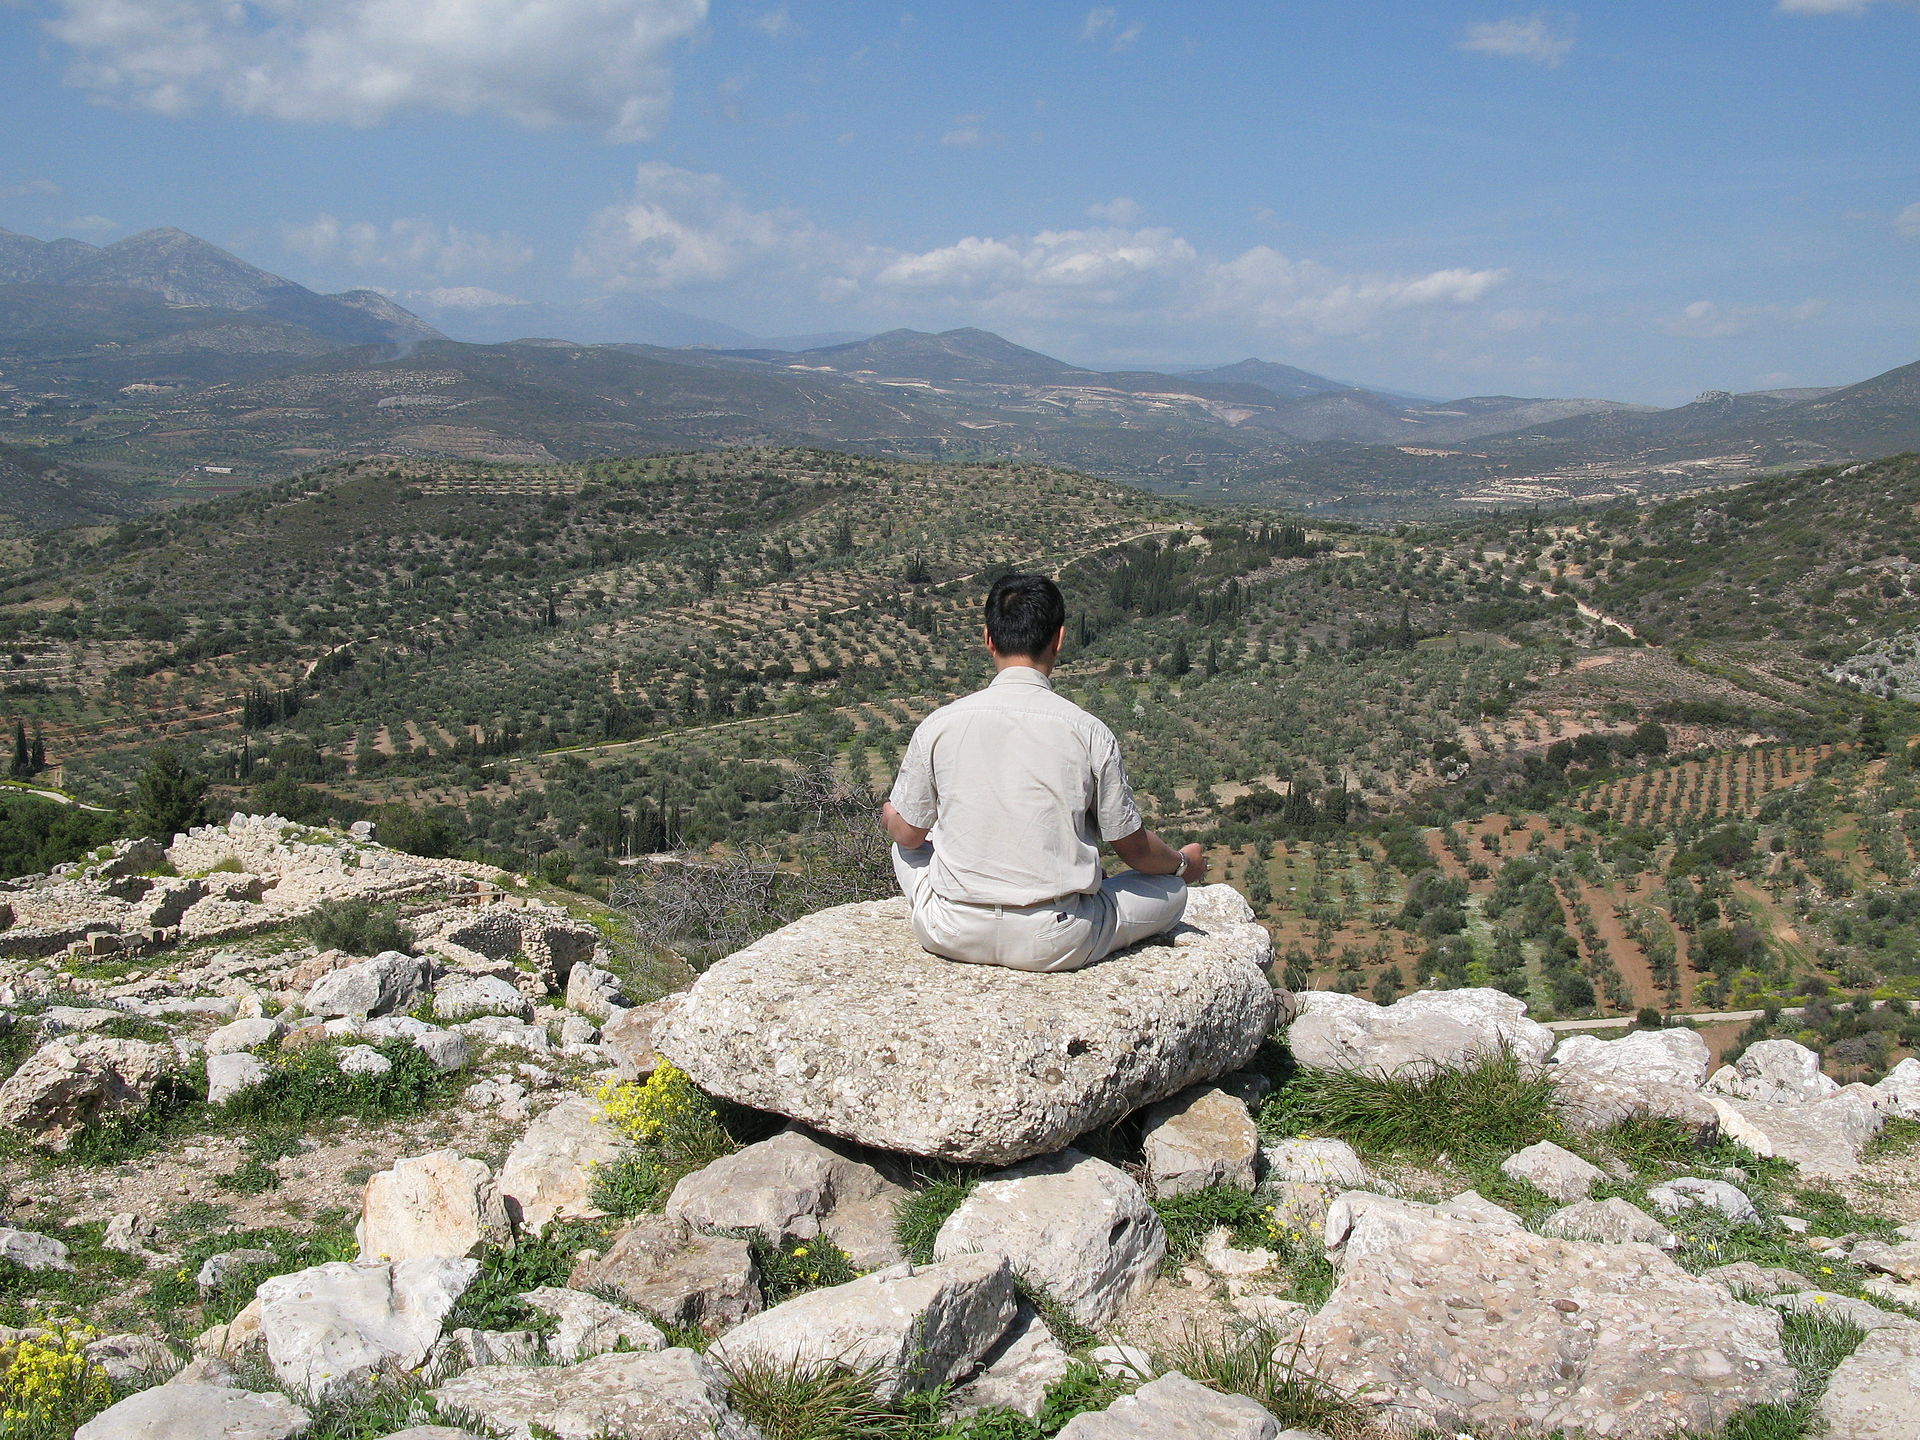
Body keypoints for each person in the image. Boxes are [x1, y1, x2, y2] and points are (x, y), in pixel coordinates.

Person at [881, 571, 1207, 972]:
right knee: (1171, 892)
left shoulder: (939, 724)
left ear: (988, 639)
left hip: (949, 929)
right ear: (1059, 639)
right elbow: (1134, 850)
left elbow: (908, 834)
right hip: (1054, 939)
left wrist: (891, 813)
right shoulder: (1089, 732)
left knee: (905, 847)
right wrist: (1180, 864)